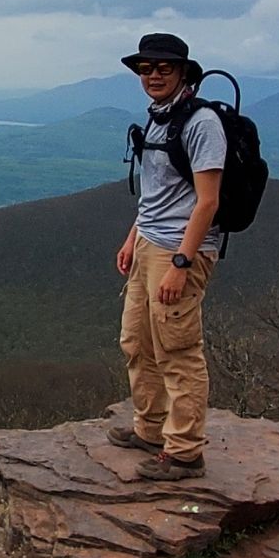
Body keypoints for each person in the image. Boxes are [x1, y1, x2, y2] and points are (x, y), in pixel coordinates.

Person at [113, 32, 225, 479]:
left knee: (178, 351)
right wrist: (131, 238)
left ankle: (184, 452)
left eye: (164, 67)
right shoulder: (159, 120)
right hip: (148, 245)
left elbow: (208, 201)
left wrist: (182, 262)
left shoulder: (201, 124)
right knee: (137, 341)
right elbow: (156, 196)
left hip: (179, 251)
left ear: (183, 72)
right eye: (146, 67)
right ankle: (151, 428)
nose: (153, 74)